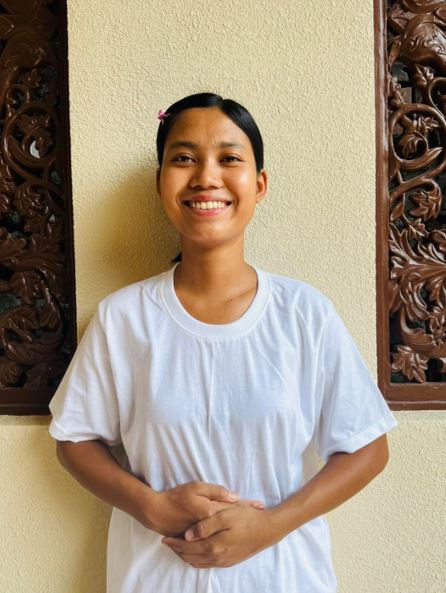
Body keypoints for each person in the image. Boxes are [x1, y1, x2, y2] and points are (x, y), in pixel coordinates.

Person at [48, 92, 398, 593]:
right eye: (184, 158)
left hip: (285, 579)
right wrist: (149, 506)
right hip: (156, 580)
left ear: (259, 184)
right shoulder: (123, 319)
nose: (206, 177)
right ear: (161, 182)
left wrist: (272, 525)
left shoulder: (304, 314)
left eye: (229, 158)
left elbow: (368, 447)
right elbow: (74, 438)